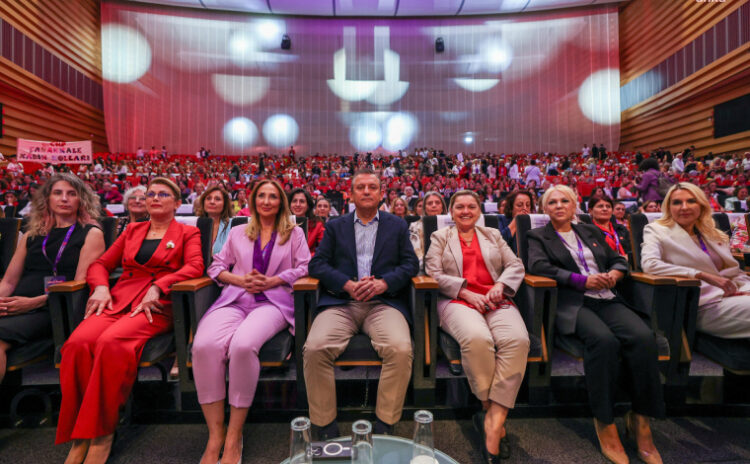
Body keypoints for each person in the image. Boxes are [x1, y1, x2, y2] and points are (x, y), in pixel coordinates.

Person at [56, 177, 204, 464]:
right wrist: (100, 286)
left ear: (177, 203)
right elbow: (100, 264)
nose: (155, 198)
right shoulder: (132, 230)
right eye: (151, 194)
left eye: (163, 194)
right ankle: (79, 432)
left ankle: (102, 431)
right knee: (77, 343)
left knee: (111, 342)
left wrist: (160, 285)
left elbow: (195, 266)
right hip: (118, 298)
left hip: (155, 306)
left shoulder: (188, 232)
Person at [528, 185, 664, 464]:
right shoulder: (537, 236)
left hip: (606, 296)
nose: (558, 205)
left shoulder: (589, 231)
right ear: (545, 208)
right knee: (604, 341)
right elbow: (540, 266)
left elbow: (617, 259)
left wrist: (614, 273)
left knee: (643, 338)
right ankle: (605, 421)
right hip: (573, 302)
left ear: (574, 205)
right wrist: (582, 280)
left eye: (564, 200)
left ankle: (641, 420)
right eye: (551, 202)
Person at [192, 180, 310, 464]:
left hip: (273, 302)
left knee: (243, 346)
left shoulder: (293, 233)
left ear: (280, 201)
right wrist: (238, 279)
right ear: (253, 200)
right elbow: (216, 267)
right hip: (235, 298)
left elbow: (306, 266)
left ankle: (234, 436)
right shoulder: (236, 232)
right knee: (203, 346)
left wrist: (275, 279)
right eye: (261, 196)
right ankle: (215, 436)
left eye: (272, 196)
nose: (267, 201)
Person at [304, 169, 418, 439]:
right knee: (315, 348)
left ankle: (385, 424)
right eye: (361, 187)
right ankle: (324, 425)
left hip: (383, 304)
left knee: (401, 349)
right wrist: (346, 284)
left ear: (381, 194)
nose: (366, 191)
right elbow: (317, 264)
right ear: (351, 194)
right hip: (341, 303)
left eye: (372, 187)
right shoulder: (335, 226)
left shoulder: (397, 225)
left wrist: (384, 283)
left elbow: (410, 264)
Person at [425, 190, 528, 463]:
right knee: (477, 338)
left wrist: (500, 286)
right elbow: (433, 273)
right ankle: (488, 408)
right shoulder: (440, 237)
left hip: (495, 299)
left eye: (472, 206)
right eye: (460, 207)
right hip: (457, 300)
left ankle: (492, 421)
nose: (466, 211)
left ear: (480, 210)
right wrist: (465, 292)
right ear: (451, 211)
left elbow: (515, 265)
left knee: (518, 340)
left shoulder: (493, 235)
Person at [0, 174, 105, 384]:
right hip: (15, 306)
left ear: (81, 200)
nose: (64, 198)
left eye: (71, 194)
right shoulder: (32, 234)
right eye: (58, 193)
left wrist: (33, 302)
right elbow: (9, 282)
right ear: (47, 199)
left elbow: (80, 285)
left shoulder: (91, 233)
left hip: (54, 310)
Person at [641, 183, 750, 339]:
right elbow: (650, 264)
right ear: (669, 207)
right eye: (677, 202)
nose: (684, 207)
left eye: (691, 201)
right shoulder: (656, 230)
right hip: (703, 304)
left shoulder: (712, 233)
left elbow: (734, 272)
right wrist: (701, 275)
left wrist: (744, 289)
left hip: (735, 295)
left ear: (701, 205)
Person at [408, 191, 447, 272]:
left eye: (437, 203)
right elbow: (417, 252)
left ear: (442, 207)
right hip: (424, 269)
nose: (434, 205)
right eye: (430, 203)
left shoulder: (452, 224)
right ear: (425, 208)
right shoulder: (414, 226)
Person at [195, 185, 233, 257]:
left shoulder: (233, 226)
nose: (212, 202)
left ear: (224, 204)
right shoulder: (194, 224)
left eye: (217, 199)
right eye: (208, 198)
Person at [497, 190, 535, 255]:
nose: (525, 208)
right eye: (520, 205)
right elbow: (499, 244)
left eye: (528, 205)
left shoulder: (533, 222)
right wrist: (516, 220)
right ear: (511, 208)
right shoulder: (501, 220)